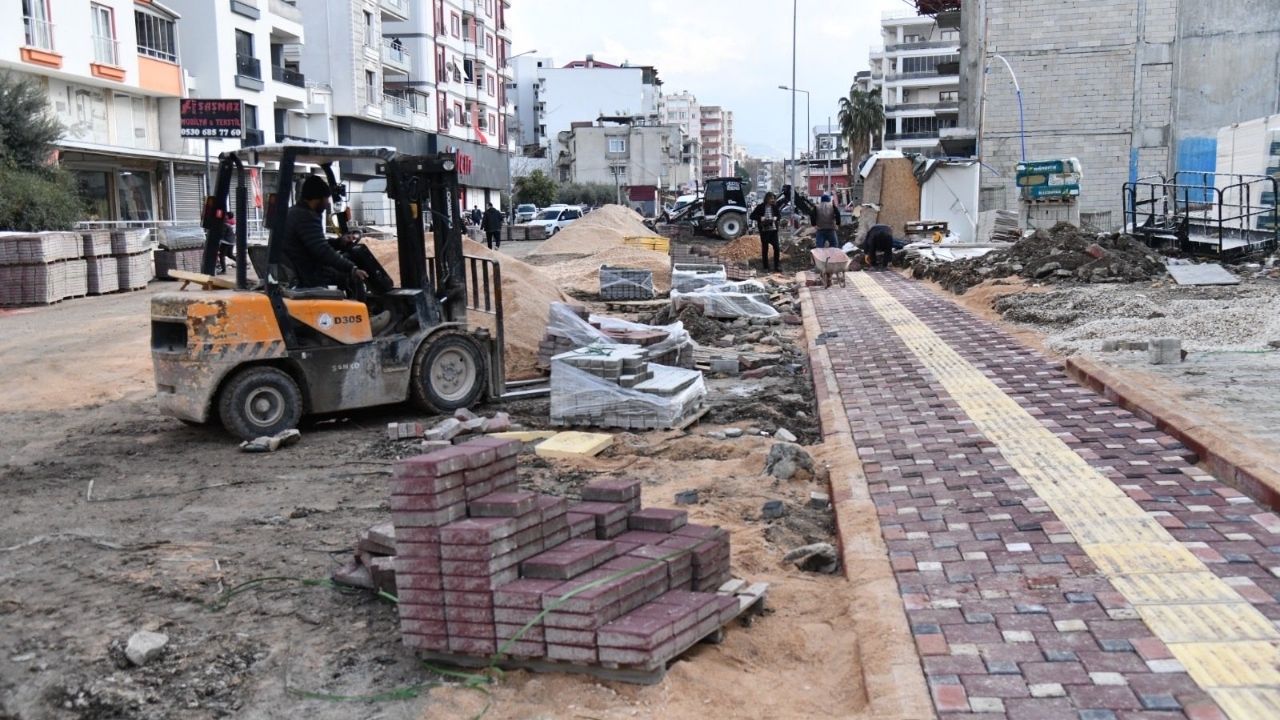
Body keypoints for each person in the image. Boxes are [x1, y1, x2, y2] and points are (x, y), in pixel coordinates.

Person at [281, 175, 391, 332]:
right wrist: (351, 268)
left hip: (299, 265)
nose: (328, 204)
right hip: (308, 271)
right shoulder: (305, 216)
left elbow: (314, 243)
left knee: (347, 265)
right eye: (326, 199)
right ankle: (363, 322)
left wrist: (339, 242)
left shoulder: (294, 213)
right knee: (355, 276)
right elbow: (322, 251)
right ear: (316, 199)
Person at [749, 191, 781, 273]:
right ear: (767, 199)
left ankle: (777, 266)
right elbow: (752, 216)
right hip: (764, 231)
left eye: (773, 199)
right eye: (771, 198)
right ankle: (766, 267)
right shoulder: (760, 207)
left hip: (773, 230)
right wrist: (760, 218)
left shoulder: (775, 207)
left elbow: (779, 216)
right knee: (765, 249)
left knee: (777, 248)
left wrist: (776, 218)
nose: (772, 200)